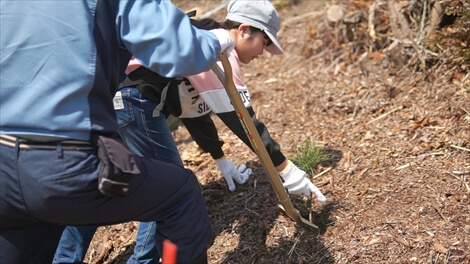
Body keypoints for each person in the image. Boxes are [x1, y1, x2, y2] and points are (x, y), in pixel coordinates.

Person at [0, 0, 235, 263]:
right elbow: (182, 51)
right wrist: (218, 38)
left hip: (4, 171)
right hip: (61, 160)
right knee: (181, 196)